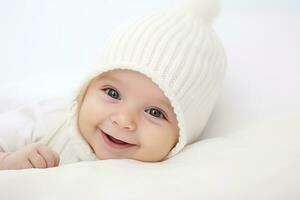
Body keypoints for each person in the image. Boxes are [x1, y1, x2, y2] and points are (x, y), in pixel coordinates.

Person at [0, 0, 227, 170]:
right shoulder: (46, 121)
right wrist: (8, 162)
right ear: (86, 89)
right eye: (112, 93)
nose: (123, 120)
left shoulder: (168, 178)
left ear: (183, 137)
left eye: (155, 112)